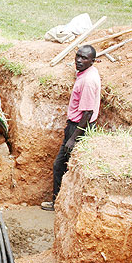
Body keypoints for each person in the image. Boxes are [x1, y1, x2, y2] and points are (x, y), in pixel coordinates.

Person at [41, 45, 101, 211]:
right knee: (65, 166)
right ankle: (60, 204)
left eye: (84, 58)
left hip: (79, 128)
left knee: (61, 166)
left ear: (92, 61)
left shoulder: (88, 81)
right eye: (78, 56)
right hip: (79, 127)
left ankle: (59, 205)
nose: (79, 61)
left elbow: (87, 112)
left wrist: (73, 138)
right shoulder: (89, 73)